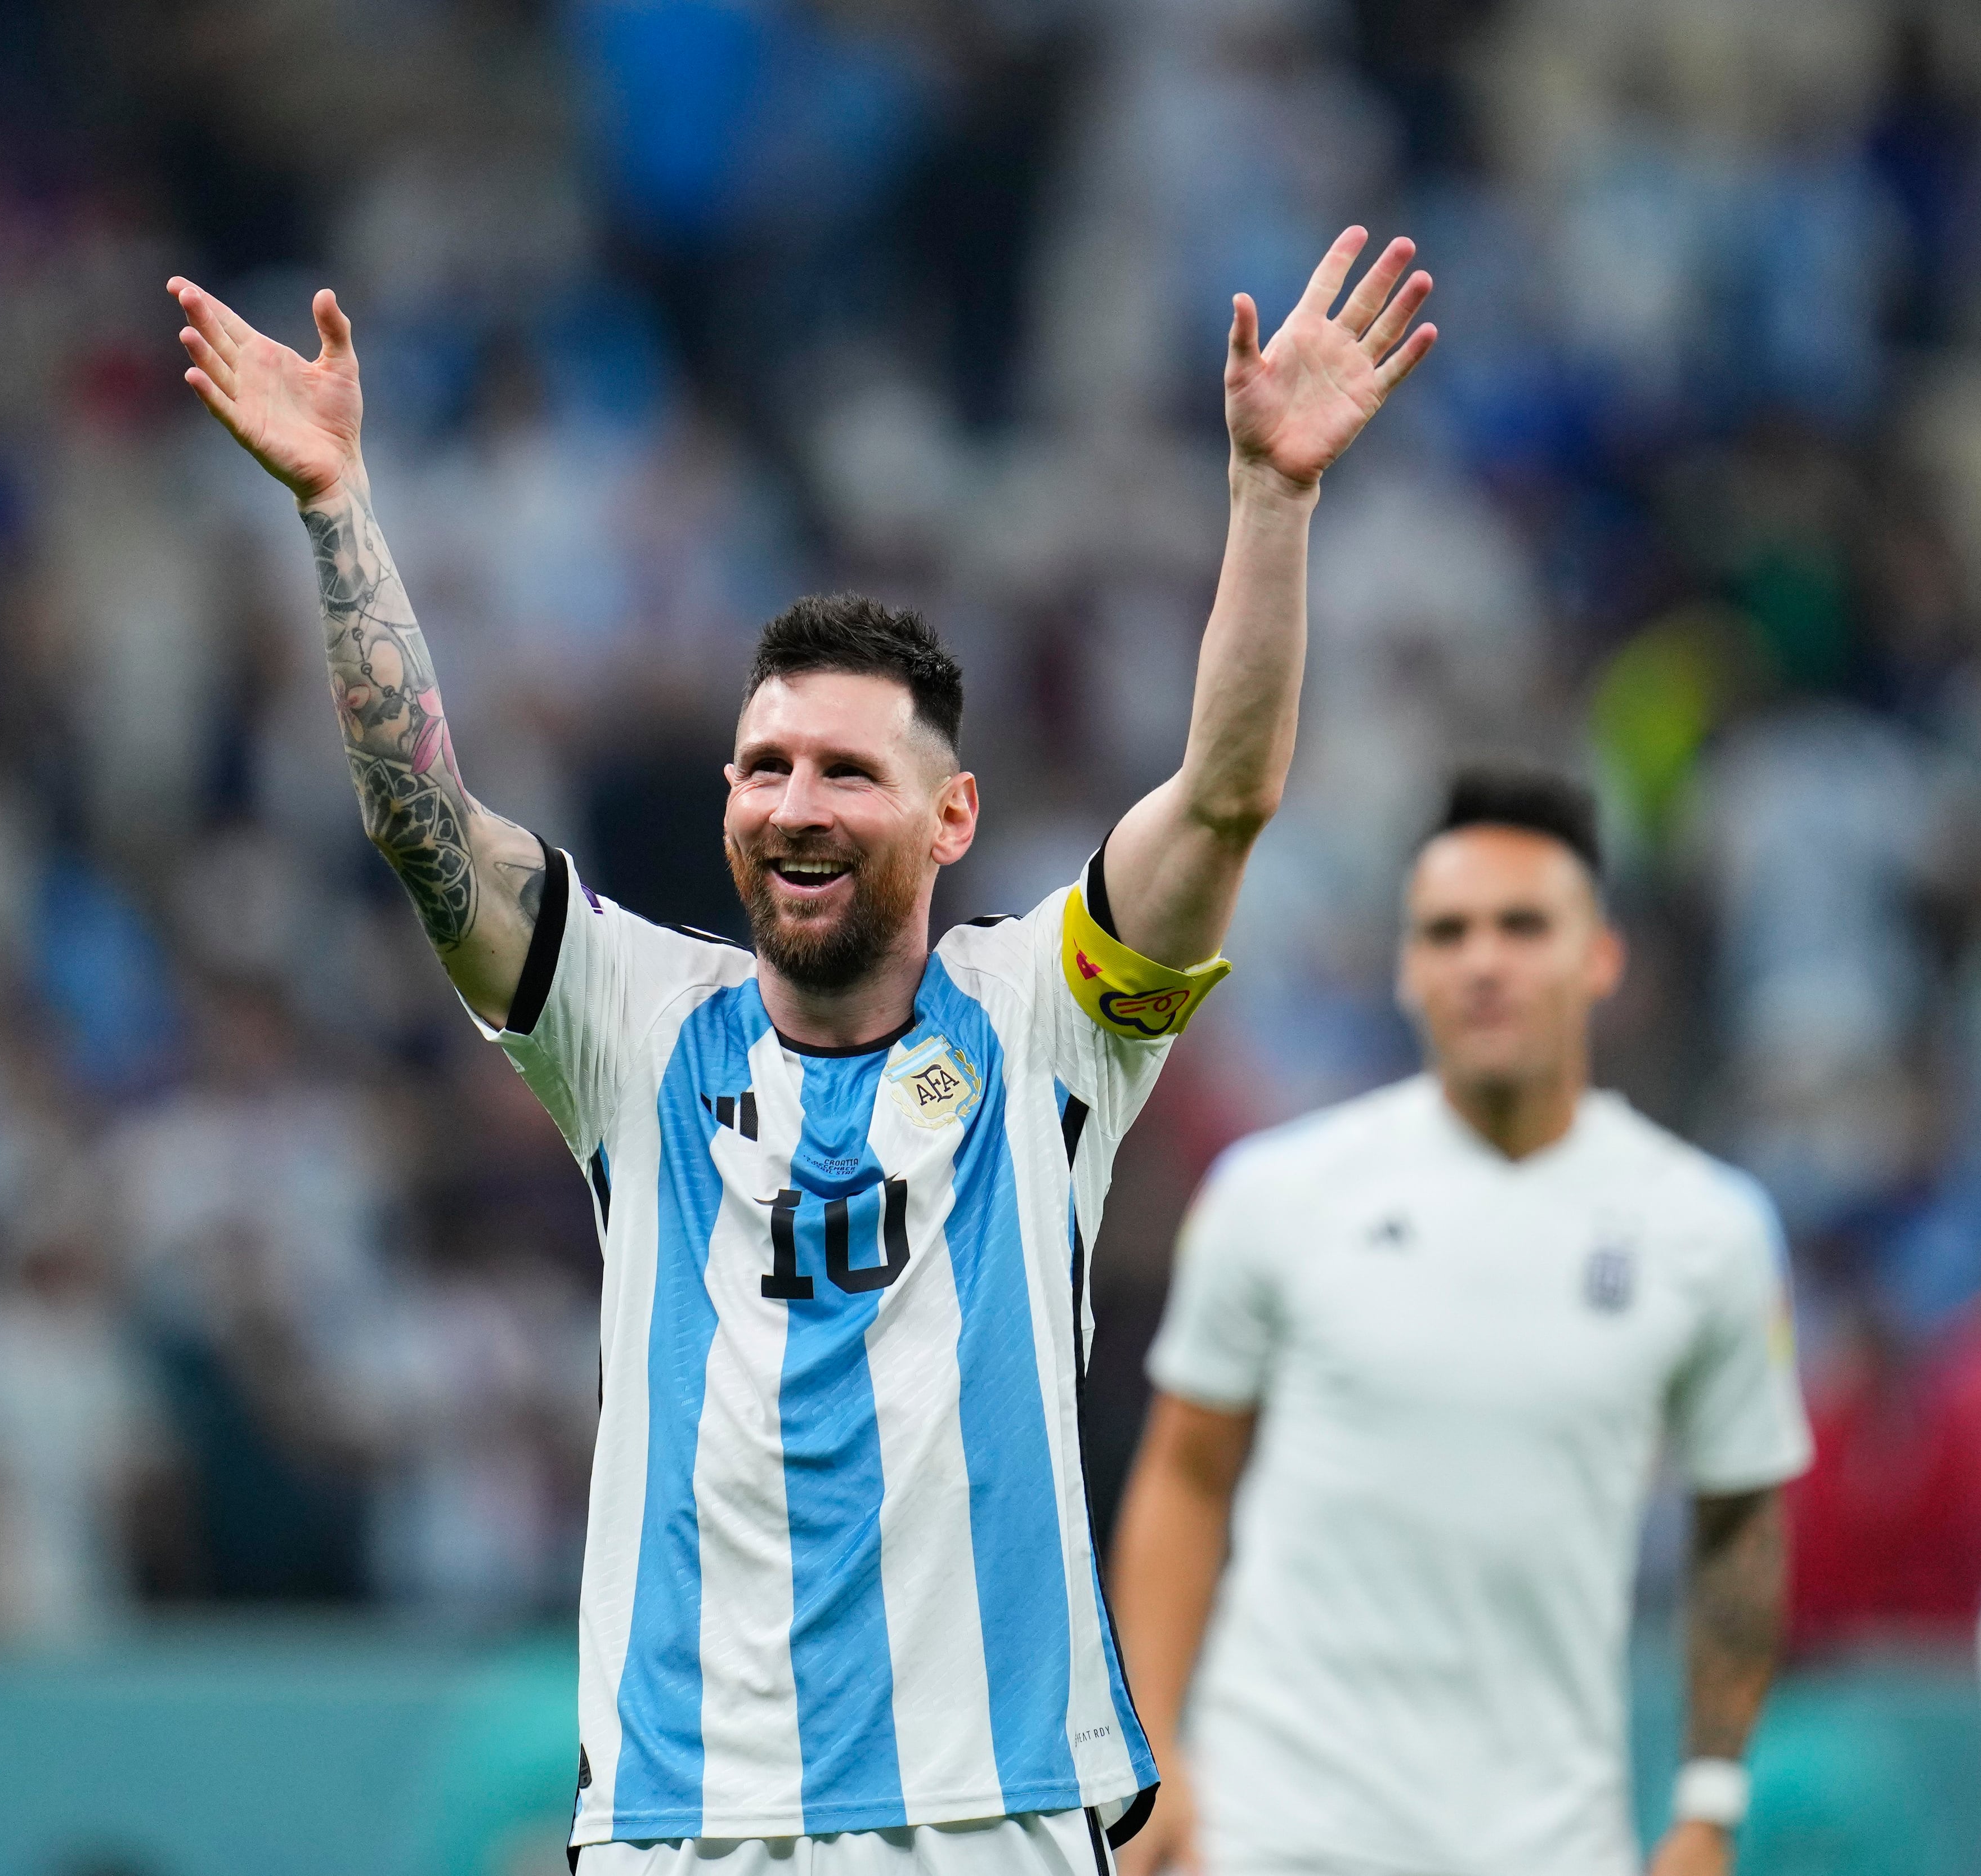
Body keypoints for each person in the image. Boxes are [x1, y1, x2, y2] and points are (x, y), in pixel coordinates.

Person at [168, 225, 1437, 1873]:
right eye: (764, 766)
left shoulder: (1048, 1016)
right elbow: (427, 827)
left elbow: (1222, 797)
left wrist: (1273, 503)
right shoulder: (633, 1023)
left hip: (990, 1816)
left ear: (951, 813)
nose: (796, 804)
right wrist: (339, 513)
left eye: (847, 769)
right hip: (687, 1825)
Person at [1110, 770, 1813, 1876]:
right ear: (1407, 967)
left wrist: (1708, 1803)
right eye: (1447, 931)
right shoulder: (1275, 1194)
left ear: (1600, 957)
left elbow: (1740, 1519)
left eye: (1523, 925)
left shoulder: (1708, 1229)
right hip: (1276, 1825)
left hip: (1547, 1839)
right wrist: (1149, 1753)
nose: (1483, 960)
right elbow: (1185, 1473)